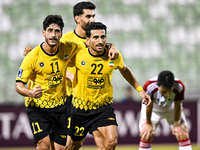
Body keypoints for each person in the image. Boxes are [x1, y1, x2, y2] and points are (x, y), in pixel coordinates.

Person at [23, 2, 119, 150]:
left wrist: (110, 45)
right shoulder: (66, 39)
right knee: (67, 146)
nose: (92, 19)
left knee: (104, 142)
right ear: (77, 18)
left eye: (93, 16)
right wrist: (31, 49)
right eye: (88, 16)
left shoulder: (93, 39)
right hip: (70, 99)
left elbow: (100, 46)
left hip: (91, 98)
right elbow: (49, 52)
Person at [67, 22, 151, 150]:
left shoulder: (113, 55)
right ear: (87, 40)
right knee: (73, 145)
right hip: (80, 108)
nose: (100, 41)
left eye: (103, 37)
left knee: (111, 142)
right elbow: (56, 56)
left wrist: (140, 90)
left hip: (103, 108)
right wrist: (34, 53)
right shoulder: (77, 52)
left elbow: (124, 70)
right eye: (96, 37)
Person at [15, 15, 87, 150]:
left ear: (61, 34)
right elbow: (18, 85)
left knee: (61, 148)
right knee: (44, 146)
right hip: (38, 107)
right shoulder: (32, 56)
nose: (53, 35)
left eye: (57, 31)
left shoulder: (68, 48)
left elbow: (89, 44)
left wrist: (109, 46)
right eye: (50, 30)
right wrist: (30, 93)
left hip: (60, 107)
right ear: (44, 33)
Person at [139, 70, 192, 150]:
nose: (166, 94)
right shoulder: (149, 86)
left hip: (171, 109)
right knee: (146, 134)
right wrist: (148, 123)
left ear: (173, 86)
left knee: (182, 134)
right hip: (153, 110)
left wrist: (177, 124)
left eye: (169, 91)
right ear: (157, 85)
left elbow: (178, 105)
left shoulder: (179, 86)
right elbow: (149, 105)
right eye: (163, 91)